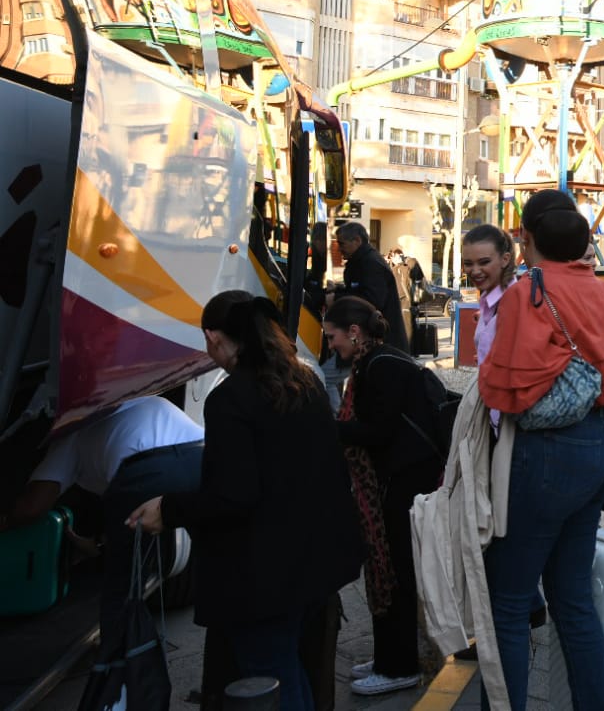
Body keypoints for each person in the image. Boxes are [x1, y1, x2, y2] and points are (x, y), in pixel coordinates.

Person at [127, 292, 362, 711]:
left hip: (266, 578)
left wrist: (168, 511)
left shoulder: (230, 399)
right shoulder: (304, 381)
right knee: (295, 670)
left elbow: (233, 495)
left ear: (213, 338)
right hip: (317, 563)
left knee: (273, 677)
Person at [480, 204, 604, 711]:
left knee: (508, 604)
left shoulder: (526, 294)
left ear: (527, 240)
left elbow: (505, 388)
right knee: (573, 598)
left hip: (551, 454)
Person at [1, 397, 203, 642]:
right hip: (201, 458)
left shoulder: (71, 435)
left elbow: (32, 508)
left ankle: (123, 668)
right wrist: (97, 543)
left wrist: (5, 522)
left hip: (148, 472)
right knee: (223, 558)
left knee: (123, 594)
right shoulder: (143, 398)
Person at [324, 296, 444, 696]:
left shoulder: (381, 367)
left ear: (354, 333)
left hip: (402, 484)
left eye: (333, 336)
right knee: (387, 572)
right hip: (398, 481)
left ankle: (400, 666)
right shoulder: (378, 361)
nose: (331, 346)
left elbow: (379, 431)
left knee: (393, 573)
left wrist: (330, 429)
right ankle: (390, 656)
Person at [333, 222, 409, 354]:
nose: (339, 249)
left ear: (357, 240)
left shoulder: (371, 263)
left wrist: (337, 298)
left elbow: (371, 301)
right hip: (369, 343)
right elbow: (357, 291)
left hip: (382, 345)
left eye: (341, 244)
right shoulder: (360, 261)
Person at [461, 224, 518, 368]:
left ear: (505, 259)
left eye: (484, 262)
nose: (475, 271)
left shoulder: (517, 303)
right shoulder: (488, 302)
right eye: (468, 264)